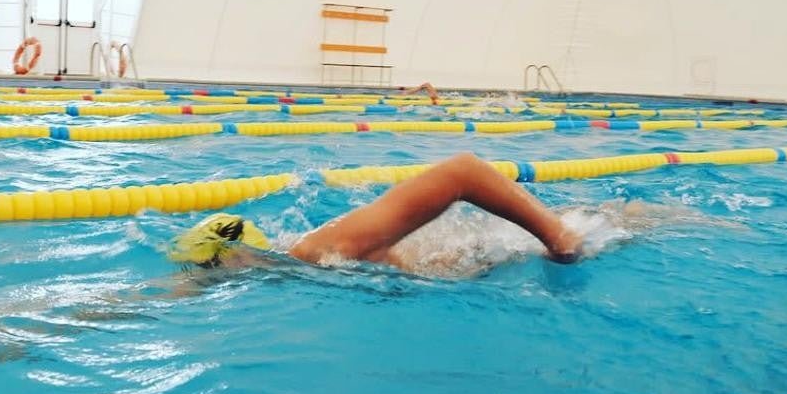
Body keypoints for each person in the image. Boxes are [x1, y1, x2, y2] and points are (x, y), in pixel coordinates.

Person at [169, 152, 584, 272]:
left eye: (208, 273)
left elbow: (465, 171)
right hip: (482, 252)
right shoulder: (292, 262)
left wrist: (558, 238)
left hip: (504, 250)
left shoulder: (319, 248)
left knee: (627, 222)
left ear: (236, 256)